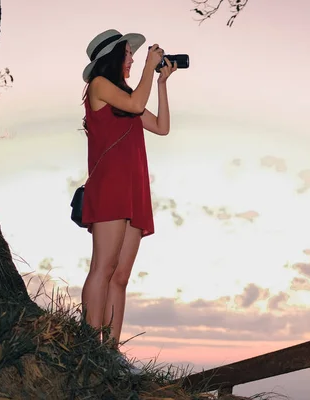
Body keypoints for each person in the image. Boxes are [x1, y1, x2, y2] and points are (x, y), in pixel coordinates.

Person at [79, 29, 177, 366]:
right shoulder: (99, 86)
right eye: (129, 54)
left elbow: (162, 127)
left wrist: (161, 83)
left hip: (134, 190)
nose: (133, 60)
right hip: (109, 187)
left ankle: (111, 354)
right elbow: (137, 103)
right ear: (113, 57)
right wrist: (150, 68)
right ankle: (89, 346)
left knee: (120, 275)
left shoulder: (128, 98)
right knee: (103, 268)